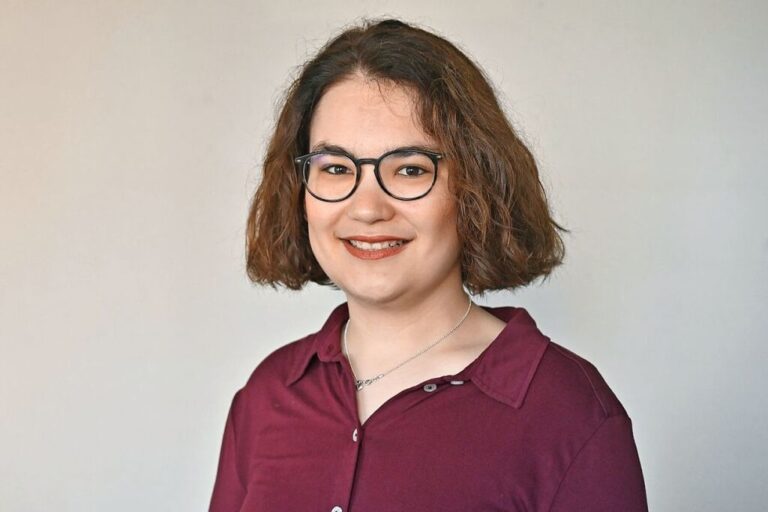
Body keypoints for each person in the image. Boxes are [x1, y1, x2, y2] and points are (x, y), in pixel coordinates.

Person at [209, 18, 648, 512]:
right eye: (335, 168)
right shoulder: (266, 396)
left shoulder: (569, 413)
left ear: (475, 188)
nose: (367, 208)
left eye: (410, 169)